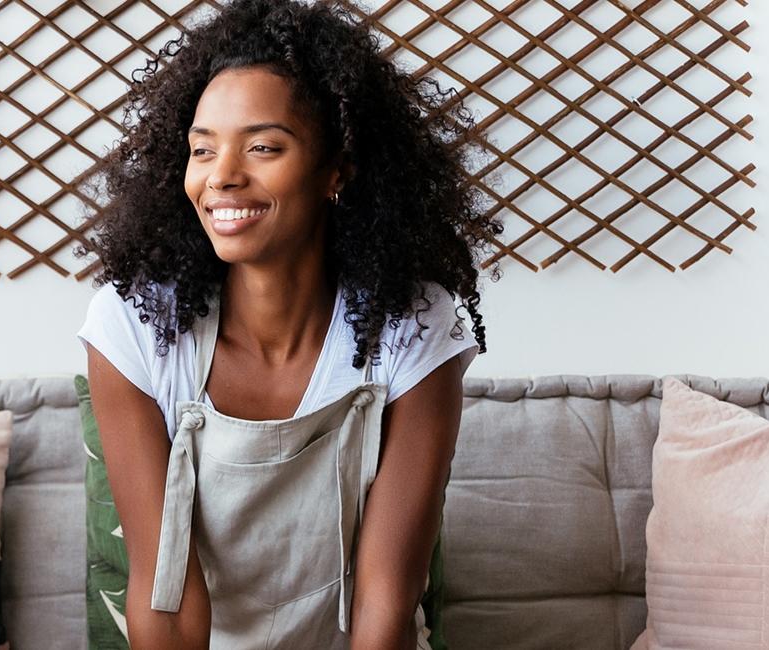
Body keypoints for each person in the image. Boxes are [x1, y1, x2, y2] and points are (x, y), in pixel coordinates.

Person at [72, 1, 501, 648]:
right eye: (202, 149)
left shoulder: (413, 328)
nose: (222, 176)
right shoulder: (135, 326)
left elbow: (386, 604)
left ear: (337, 170)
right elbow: (165, 598)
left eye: (264, 146)